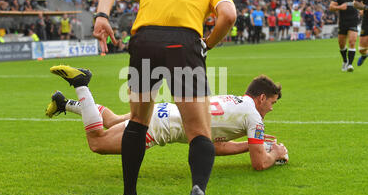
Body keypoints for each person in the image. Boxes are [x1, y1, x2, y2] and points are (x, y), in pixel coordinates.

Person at [80, 0, 236, 195]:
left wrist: (102, 16)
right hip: (184, 43)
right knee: (199, 131)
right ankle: (198, 191)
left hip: (144, 42)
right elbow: (229, 16)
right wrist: (208, 44)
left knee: (138, 121)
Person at [46, 74, 288, 170]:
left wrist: (249, 145)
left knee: (109, 120)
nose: (271, 108)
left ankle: (63, 103)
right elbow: (258, 164)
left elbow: (213, 145)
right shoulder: (254, 117)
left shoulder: (233, 100)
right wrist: (274, 153)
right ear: (262, 97)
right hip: (159, 127)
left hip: (163, 110)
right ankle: (80, 84)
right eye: (272, 103)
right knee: (97, 143)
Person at [330, 0, 359, 72]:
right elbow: (331, 7)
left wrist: (363, 10)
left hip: (354, 21)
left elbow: (363, 4)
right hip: (343, 22)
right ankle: (345, 61)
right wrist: (339, 7)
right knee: (341, 44)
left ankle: (350, 65)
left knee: (352, 42)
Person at [353, 0, 368, 66]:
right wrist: (366, 7)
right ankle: (364, 54)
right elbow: (356, 3)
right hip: (367, 19)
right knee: (362, 48)